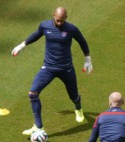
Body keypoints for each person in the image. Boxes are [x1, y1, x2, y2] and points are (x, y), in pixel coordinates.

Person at [11, 6, 93, 135]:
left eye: (62, 20)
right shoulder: (45, 25)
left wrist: (87, 59)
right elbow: (36, 35)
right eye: (57, 20)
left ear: (66, 18)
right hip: (48, 68)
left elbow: (82, 42)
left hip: (66, 69)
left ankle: (78, 107)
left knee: (74, 96)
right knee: (33, 93)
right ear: (53, 16)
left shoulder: (71, 29)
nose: (59, 23)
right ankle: (38, 127)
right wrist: (22, 45)